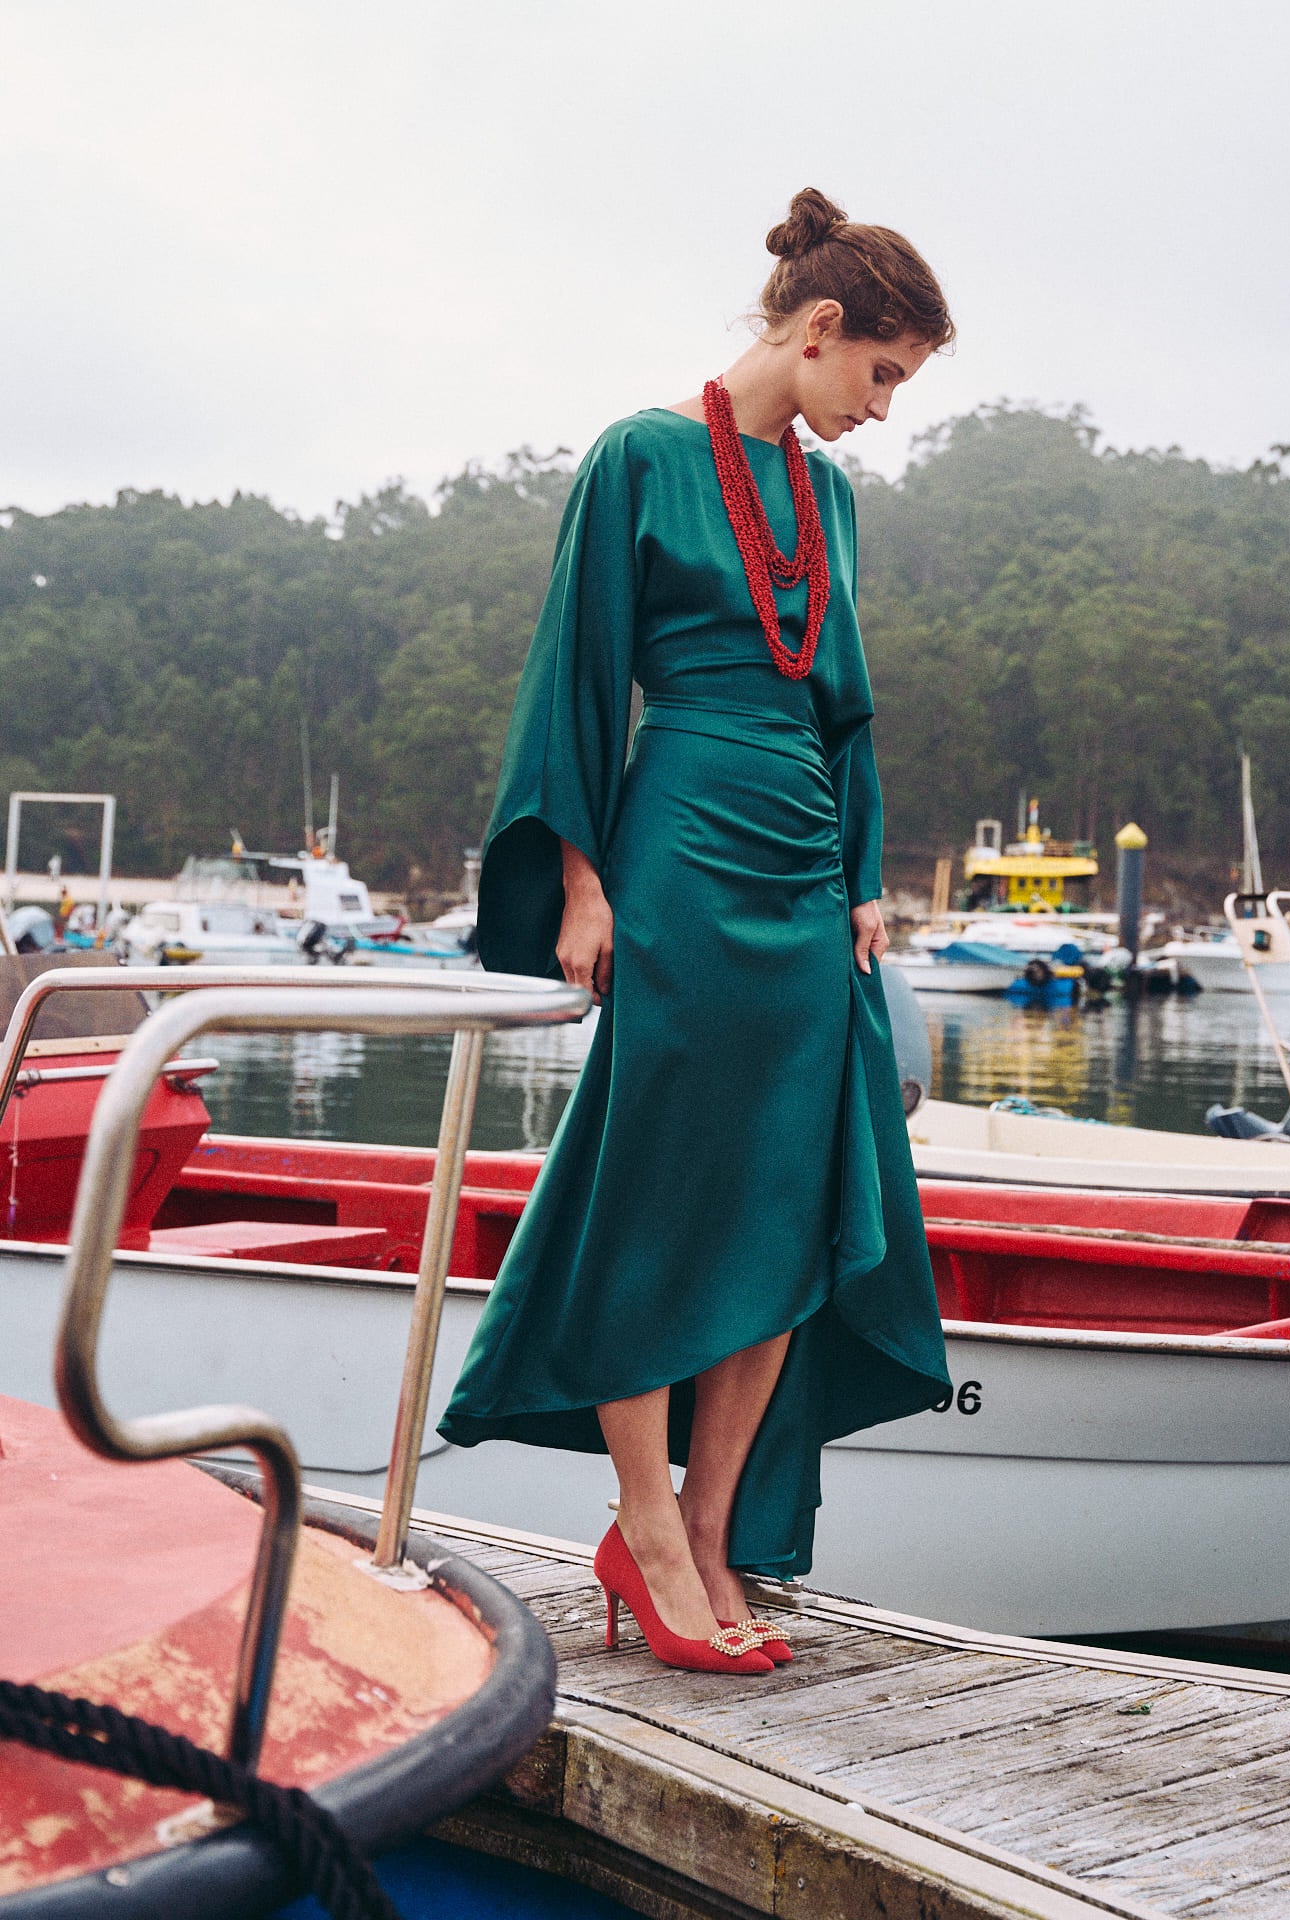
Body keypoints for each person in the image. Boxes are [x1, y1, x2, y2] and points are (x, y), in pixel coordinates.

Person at [439, 188, 954, 1676]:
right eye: (884, 377)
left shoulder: (834, 499)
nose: (883, 412)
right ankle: (646, 1532)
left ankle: (717, 1532)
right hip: (676, 848)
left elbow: (844, 708)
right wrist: (583, 886)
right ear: (818, 329)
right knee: (663, 1190)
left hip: (805, 873)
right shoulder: (639, 460)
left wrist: (864, 876)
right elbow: (579, 677)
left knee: (794, 1200)